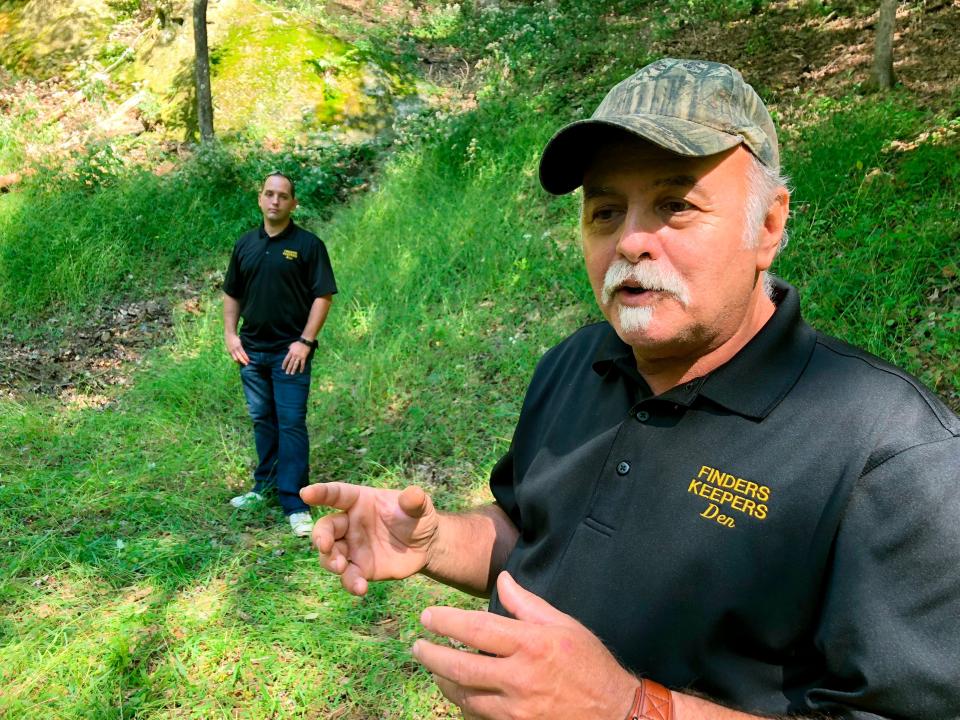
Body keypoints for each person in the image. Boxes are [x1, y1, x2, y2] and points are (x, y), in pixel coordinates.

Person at [301, 59, 960, 718]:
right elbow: (534, 538)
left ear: (768, 225)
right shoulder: (574, 364)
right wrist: (435, 541)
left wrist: (627, 707)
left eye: (676, 205)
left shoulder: (891, 456)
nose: (632, 241)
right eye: (606, 211)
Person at [223, 172, 337, 537]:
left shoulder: (308, 245)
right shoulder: (245, 245)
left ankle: (295, 501)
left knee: (290, 423)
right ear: (260, 199)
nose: (275, 201)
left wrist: (305, 341)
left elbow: (323, 296)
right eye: (269, 194)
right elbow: (232, 294)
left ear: (293, 203)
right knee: (263, 421)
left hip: (291, 354)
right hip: (251, 352)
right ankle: (264, 487)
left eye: (283, 196)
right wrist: (230, 335)